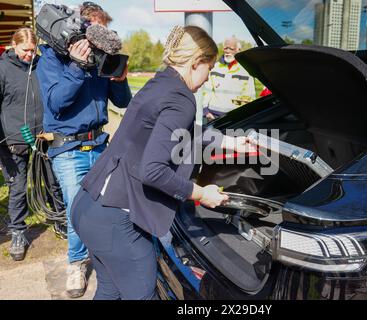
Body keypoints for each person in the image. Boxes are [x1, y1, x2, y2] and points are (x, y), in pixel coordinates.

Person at [70, 25, 254, 300]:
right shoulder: (183, 99)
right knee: (144, 295)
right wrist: (202, 194)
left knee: (110, 291)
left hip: (88, 206)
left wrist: (229, 142)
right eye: (209, 67)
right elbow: (152, 171)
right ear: (196, 62)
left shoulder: (162, 82)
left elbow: (174, 132)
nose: (208, 76)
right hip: (115, 220)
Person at [36, 2, 132, 298]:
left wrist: (120, 79)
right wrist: (77, 67)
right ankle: (76, 264)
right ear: (81, 26)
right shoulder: (51, 59)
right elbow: (56, 103)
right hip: (69, 149)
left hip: (101, 144)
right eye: (96, 28)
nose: (101, 35)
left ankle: (108, 259)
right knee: (79, 213)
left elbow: (122, 101)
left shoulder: (101, 58)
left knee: (109, 208)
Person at [0, 27, 43, 261]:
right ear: (13, 45)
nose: (29, 55)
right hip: (12, 141)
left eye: (33, 51)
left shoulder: (40, 66)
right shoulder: (3, 68)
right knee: (17, 188)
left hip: (41, 138)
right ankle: (18, 231)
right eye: (26, 50)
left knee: (52, 182)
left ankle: (59, 221)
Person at [202, 36, 255, 121]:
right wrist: (206, 112)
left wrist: (245, 115)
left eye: (231, 48)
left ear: (238, 50)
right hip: (212, 116)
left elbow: (250, 95)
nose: (228, 51)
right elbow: (206, 91)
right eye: (226, 48)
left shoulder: (246, 70)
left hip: (235, 118)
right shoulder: (214, 67)